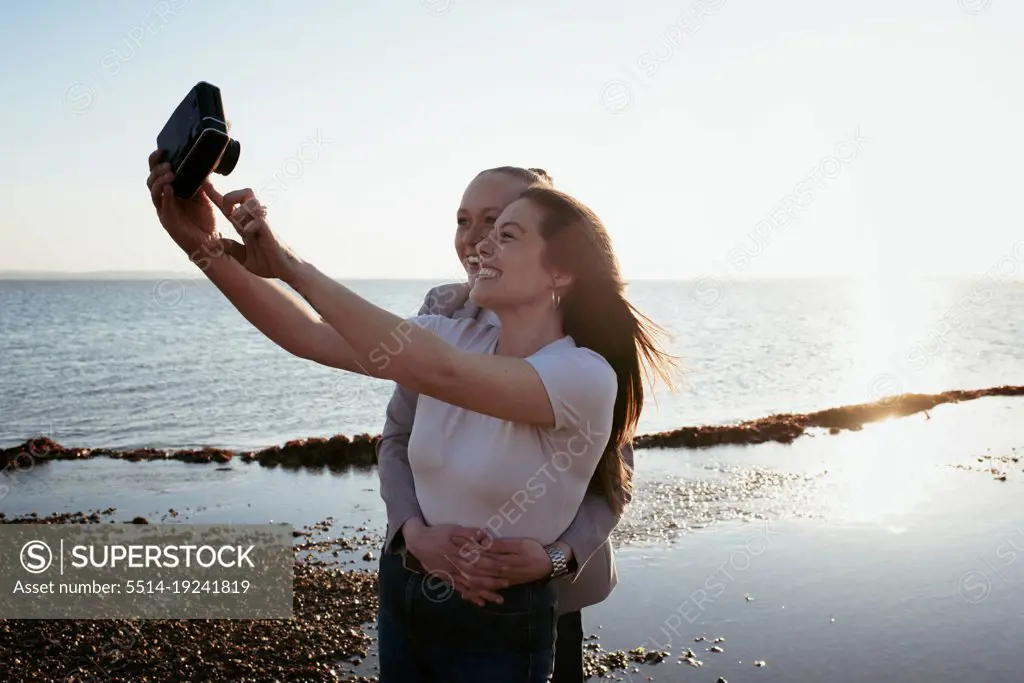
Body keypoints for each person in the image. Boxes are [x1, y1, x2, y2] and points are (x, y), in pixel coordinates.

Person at [145, 150, 676, 681]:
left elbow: (445, 374)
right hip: (407, 592)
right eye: (468, 224)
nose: (478, 243)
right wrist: (202, 245)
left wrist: (286, 263)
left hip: (504, 616)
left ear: (561, 272)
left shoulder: (583, 374)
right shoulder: (452, 329)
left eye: (504, 232)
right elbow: (307, 335)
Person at [375, 166, 636, 683]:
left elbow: (614, 478)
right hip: (422, 577)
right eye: (464, 220)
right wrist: (414, 535)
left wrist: (552, 558)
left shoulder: (583, 349)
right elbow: (397, 437)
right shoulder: (444, 314)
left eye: (497, 224)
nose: (476, 240)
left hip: (540, 596)